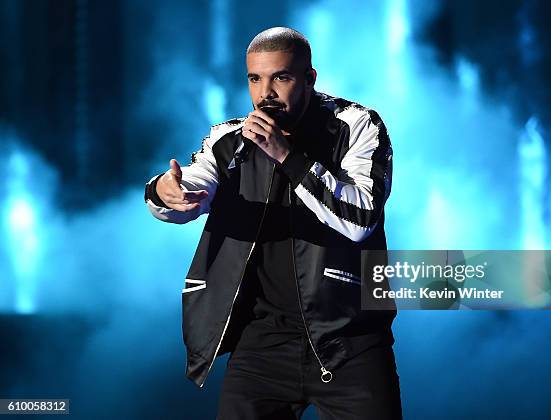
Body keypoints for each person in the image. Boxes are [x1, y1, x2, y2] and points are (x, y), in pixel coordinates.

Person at [144, 27, 401, 419]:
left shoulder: (356, 126)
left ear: (309, 78)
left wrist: (288, 156)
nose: (266, 93)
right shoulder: (229, 140)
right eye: (255, 78)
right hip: (260, 345)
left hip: (350, 342)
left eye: (281, 77)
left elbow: (360, 217)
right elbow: (188, 189)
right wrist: (166, 193)